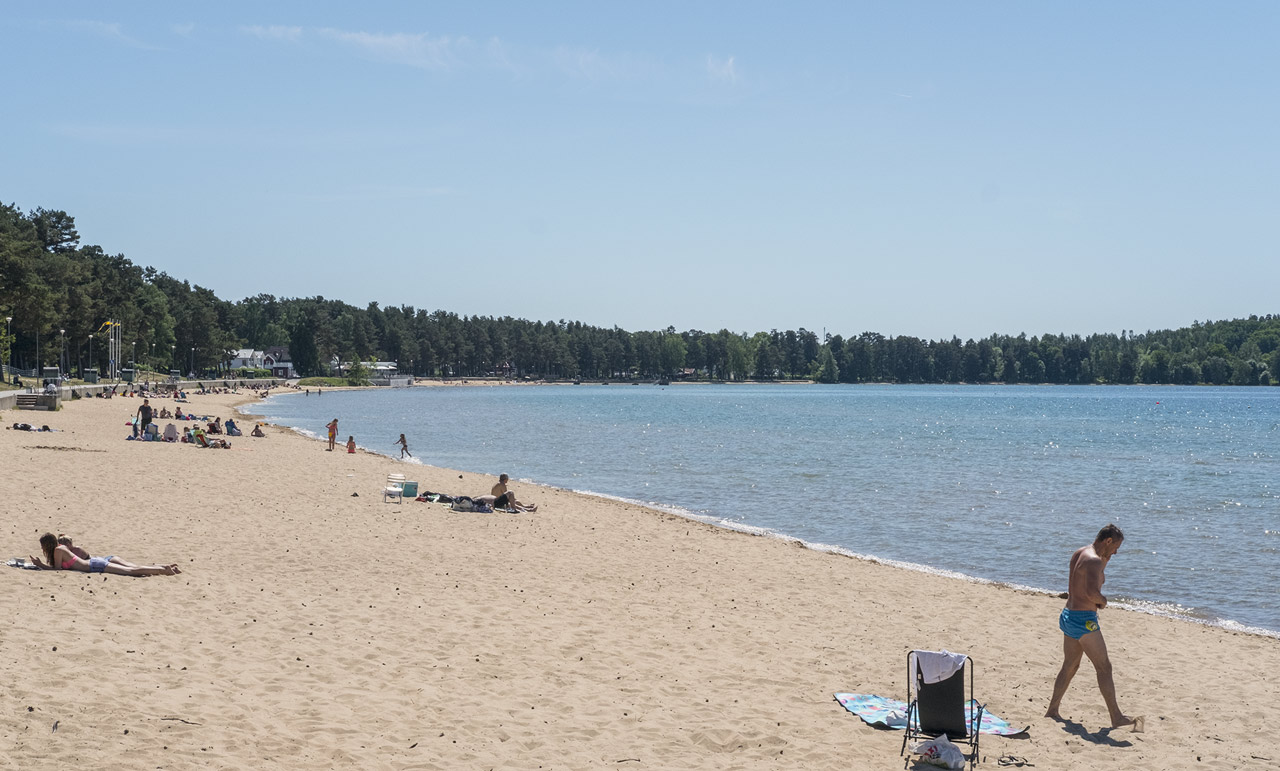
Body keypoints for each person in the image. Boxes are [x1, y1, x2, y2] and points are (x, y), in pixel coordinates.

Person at [1046, 524, 1138, 729]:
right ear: (1107, 541)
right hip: (1084, 620)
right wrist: (1103, 601)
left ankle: (1052, 710)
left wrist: (1105, 559)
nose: (1116, 552)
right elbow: (1090, 593)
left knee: (1070, 664)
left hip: (1068, 615)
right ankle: (1116, 717)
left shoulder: (1081, 552)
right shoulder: (1095, 561)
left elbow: (1082, 582)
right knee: (1104, 667)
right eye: (1115, 547)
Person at [30, 533, 180, 576]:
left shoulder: (58, 550)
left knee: (131, 571)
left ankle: (163, 570)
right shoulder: (61, 548)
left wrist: (40, 565)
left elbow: (58, 570)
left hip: (95, 566)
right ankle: (163, 567)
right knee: (132, 568)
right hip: (94, 564)